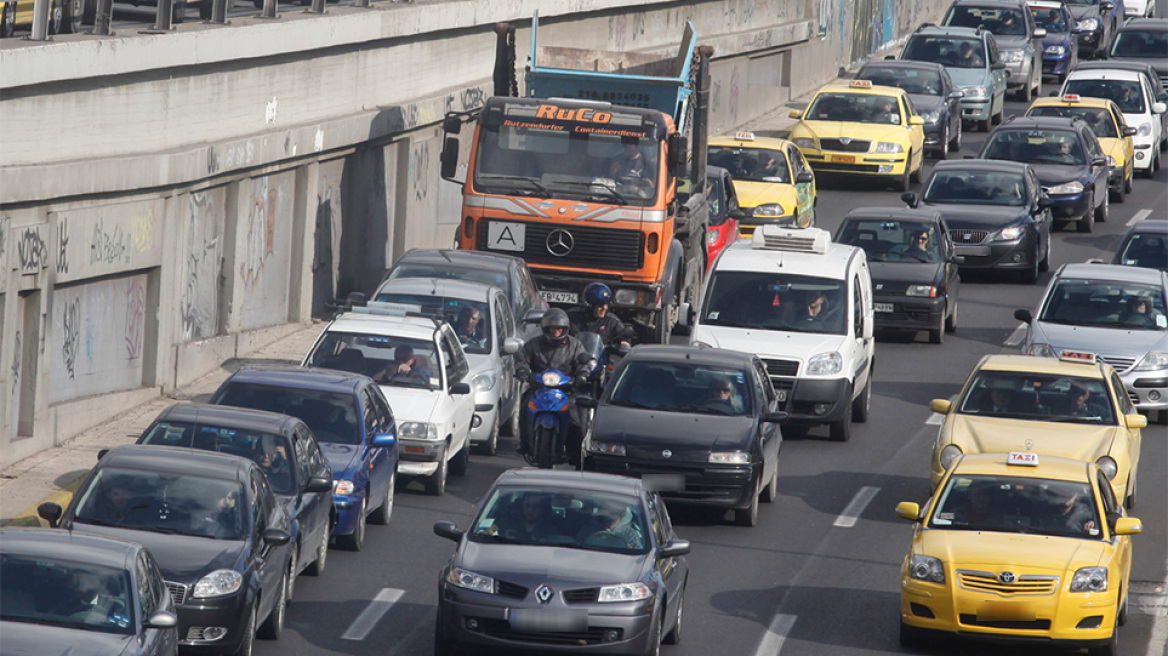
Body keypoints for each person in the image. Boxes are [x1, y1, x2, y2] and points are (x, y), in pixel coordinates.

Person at [515, 308, 593, 456]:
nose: (556, 332)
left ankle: (575, 453)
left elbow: (583, 362)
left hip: (566, 391)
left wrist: (582, 375)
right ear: (545, 328)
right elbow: (522, 359)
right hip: (538, 389)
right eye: (552, 328)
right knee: (525, 408)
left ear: (565, 329)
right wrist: (523, 371)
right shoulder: (533, 344)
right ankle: (525, 442)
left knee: (576, 421)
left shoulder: (575, 345)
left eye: (559, 328)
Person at [568, 282, 631, 348]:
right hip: (576, 355)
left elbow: (624, 340)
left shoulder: (612, 321)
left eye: (606, 304)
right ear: (591, 306)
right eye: (600, 305)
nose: (604, 308)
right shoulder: (573, 317)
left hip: (600, 357)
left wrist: (623, 343)